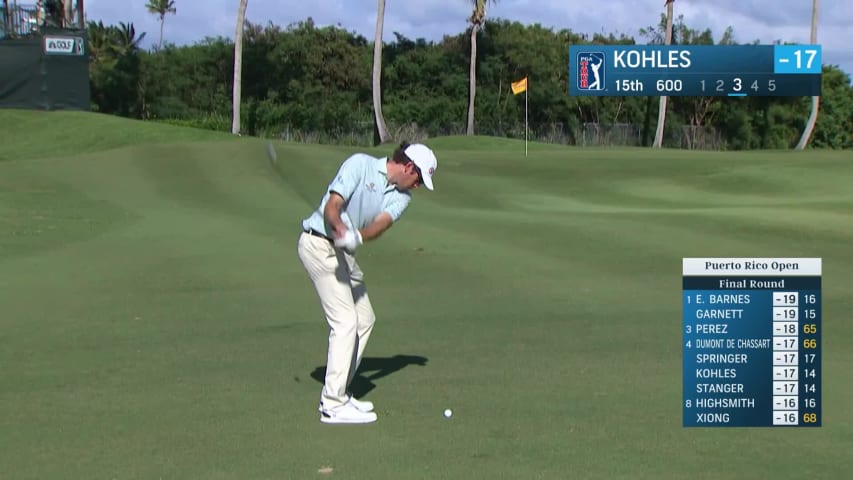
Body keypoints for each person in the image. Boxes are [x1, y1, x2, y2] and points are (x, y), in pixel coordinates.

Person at [297, 141, 437, 424]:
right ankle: (332, 404)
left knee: (365, 318)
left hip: (343, 253)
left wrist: (356, 237)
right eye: (419, 179)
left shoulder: (403, 197)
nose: (418, 186)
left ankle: (341, 389)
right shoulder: (360, 164)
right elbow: (332, 206)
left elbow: (381, 223)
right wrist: (338, 228)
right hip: (318, 245)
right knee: (346, 322)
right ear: (408, 167)